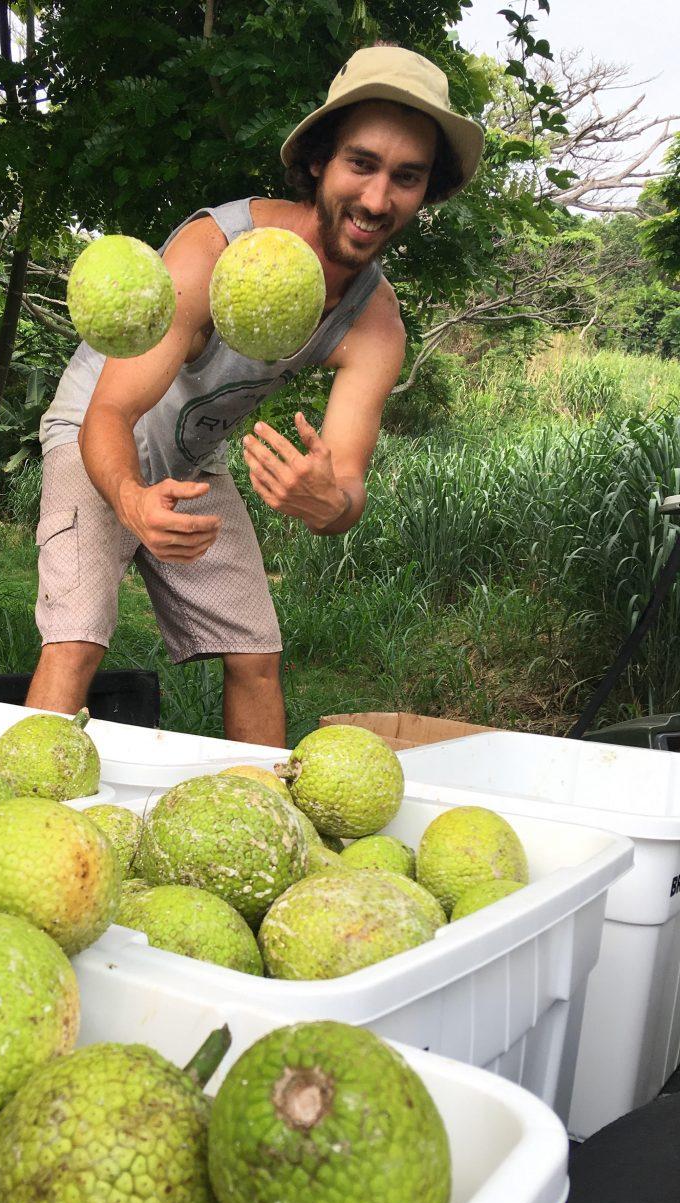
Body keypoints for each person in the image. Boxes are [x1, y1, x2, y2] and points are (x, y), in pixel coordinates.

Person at [26, 44, 484, 743]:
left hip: (190, 458)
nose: (376, 197)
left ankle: (265, 815)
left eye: (406, 177)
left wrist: (329, 501)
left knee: (256, 654)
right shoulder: (214, 249)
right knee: (78, 634)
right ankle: (22, 818)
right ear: (319, 163)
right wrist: (130, 501)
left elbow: (347, 491)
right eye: (361, 164)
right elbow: (111, 413)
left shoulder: (375, 320)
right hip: (98, 428)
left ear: (427, 190)